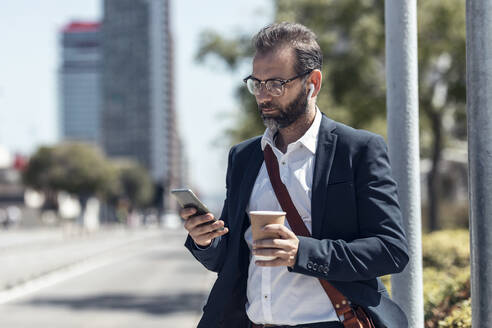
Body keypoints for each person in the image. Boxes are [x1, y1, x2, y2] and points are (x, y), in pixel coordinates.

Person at [181, 22, 409, 328]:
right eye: (256, 83)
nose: (263, 96)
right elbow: (230, 260)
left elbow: (391, 250)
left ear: (312, 82)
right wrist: (205, 241)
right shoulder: (243, 157)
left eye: (276, 83)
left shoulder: (357, 150)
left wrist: (303, 252)